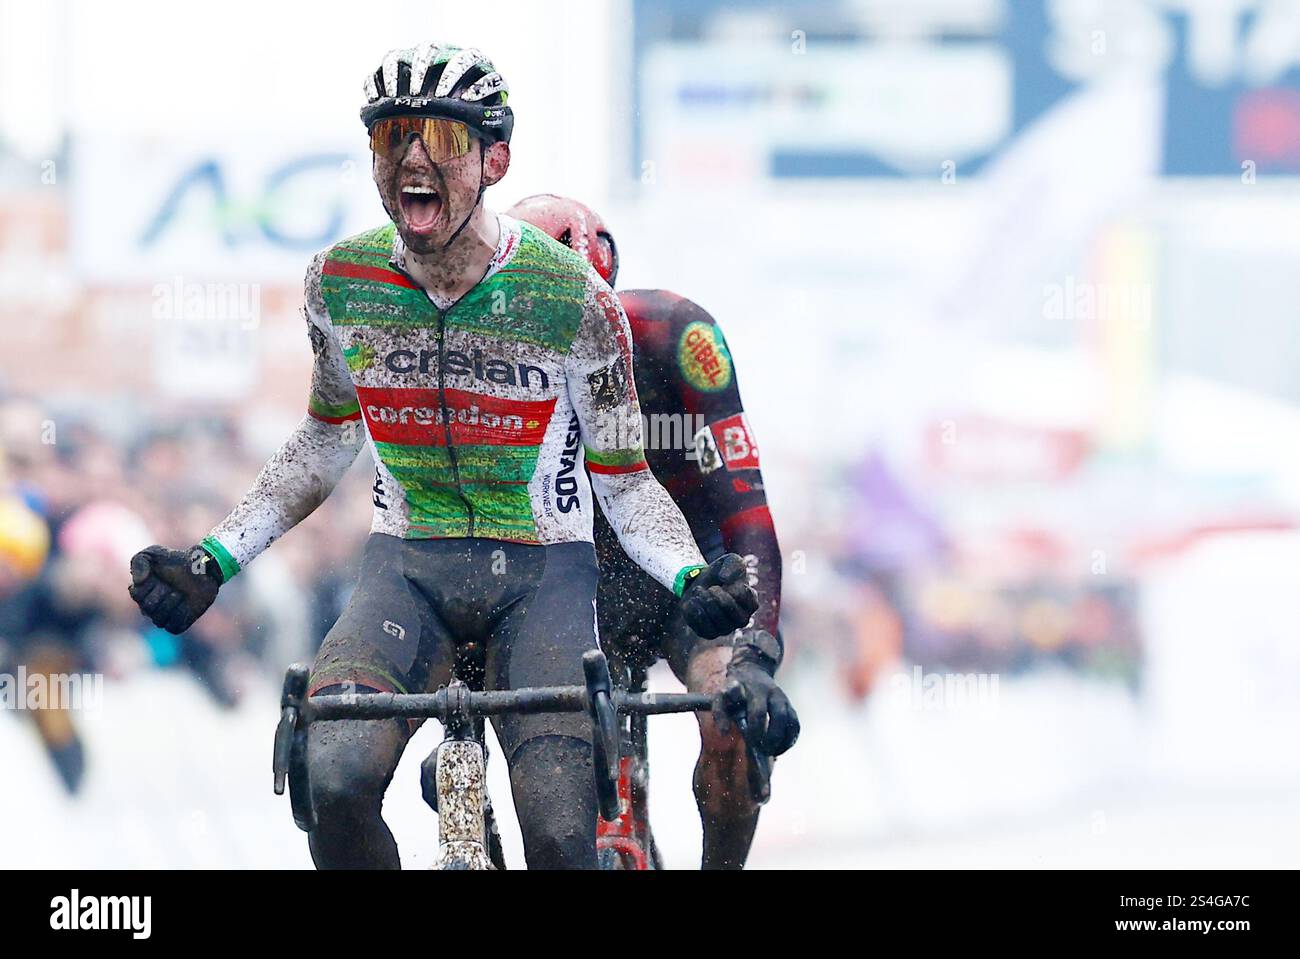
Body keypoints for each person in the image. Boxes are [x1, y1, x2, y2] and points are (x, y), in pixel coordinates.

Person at [126, 43, 757, 870]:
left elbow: (627, 485)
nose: (414, 159)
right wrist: (212, 558)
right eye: (392, 138)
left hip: (545, 580)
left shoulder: (574, 299)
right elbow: (325, 437)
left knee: (565, 838)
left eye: (443, 139)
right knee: (336, 778)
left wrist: (688, 577)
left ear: (495, 160)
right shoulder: (336, 282)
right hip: (406, 572)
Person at [508, 195, 799, 869]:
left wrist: (755, 658)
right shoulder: (482, 365)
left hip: (691, 587)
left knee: (730, 722)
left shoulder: (679, 334)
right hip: (569, 588)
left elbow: (747, 513)